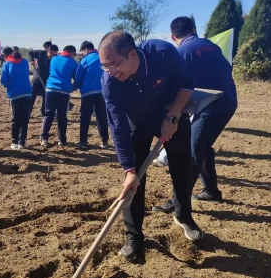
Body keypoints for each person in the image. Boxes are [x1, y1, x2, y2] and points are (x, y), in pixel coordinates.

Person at [100, 30, 203, 261]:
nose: (110, 72)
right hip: (137, 121)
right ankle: (134, 234)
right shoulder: (110, 81)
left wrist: (173, 116)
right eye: (104, 67)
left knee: (182, 166)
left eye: (114, 65)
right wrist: (128, 170)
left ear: (132, 55)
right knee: (134, 179)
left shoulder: (163, 53)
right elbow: (117, 126)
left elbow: (187, 84)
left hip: (170, 112)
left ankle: (184, 215)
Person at [153, 17, 238, 213]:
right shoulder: (211, 46)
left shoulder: (181, 52)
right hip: (227, 101)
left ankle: (177, 202)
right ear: (194, 29)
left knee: (192, 153)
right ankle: (210, 191)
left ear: (173, 36)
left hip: (212, 106)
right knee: (202, 145)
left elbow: (173, 83)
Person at [73, 41, 109, 150]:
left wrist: (71, 88)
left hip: (87, 94)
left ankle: (83, 142)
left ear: (86, 50)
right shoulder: (103, 58)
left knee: (85, 118)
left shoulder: (84, 61)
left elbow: (78, 79)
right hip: (102, 93)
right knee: (101, 117)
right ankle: (104, 141)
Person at [40, 45, 78, 147]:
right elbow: (76, 79)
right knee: (62, 116)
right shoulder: (74, 63)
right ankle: (62, 139)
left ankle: (43, 138)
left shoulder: (54, 59)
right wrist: (72, 87)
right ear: (72, 53)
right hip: (64, 91)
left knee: (48, 114)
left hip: (50, 89)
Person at [0, 47, 32, 149]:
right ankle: (22, 142)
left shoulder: (6, 64)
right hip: (27, 93)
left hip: (15, 94)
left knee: (15, 119)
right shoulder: (25, 62)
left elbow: (4, 82)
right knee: (24, 119)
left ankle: (14, 142)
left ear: (5, 55)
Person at [29, 41, 52, 117]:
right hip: (37, 78)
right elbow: (31, 53)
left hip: (47, 79)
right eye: (45, 48)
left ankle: (43, 112)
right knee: (32, 96)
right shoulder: (40, 53)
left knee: (45, 97)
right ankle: (28, 112)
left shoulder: (53, 56)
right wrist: (31, 60)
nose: (46, 49)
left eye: (48, 48)